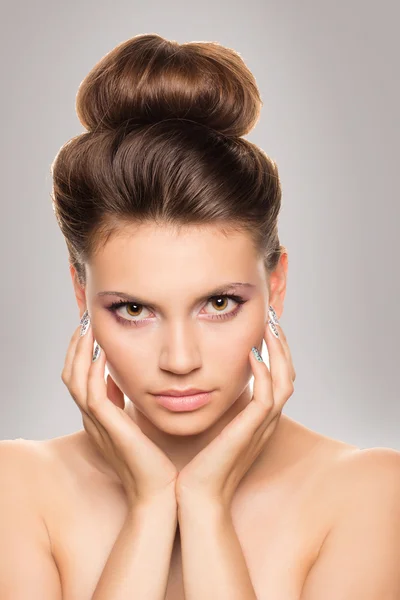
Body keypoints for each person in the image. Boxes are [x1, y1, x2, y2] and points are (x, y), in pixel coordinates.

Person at [1, 33, 400, 600]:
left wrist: (206, 505)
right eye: (134, 309)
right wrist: (150, 504)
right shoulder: (15, 490)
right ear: (79, 290)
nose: (180, 360)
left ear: (276, 285)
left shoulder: (369, 494)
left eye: (219, 304)